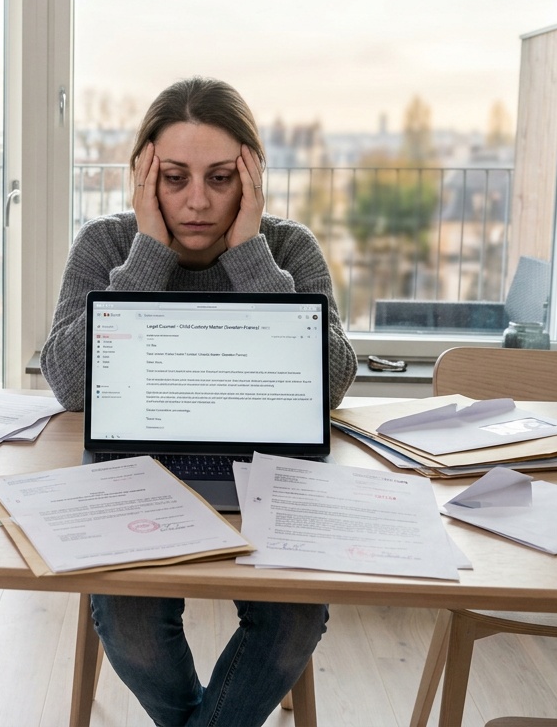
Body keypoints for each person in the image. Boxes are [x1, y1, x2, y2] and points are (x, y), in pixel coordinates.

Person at [39, 76, 357, 727]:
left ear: (252, 179)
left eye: (219, 179)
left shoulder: (288, 249)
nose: (196, 203)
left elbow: (331, 382)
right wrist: (148, 251)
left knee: (298, 612)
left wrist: (249, 256)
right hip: (139, 465)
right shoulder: (106, 245)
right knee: (125, 612)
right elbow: (70, 383)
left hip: (265, 467)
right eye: (175, 178)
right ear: (142, 177)